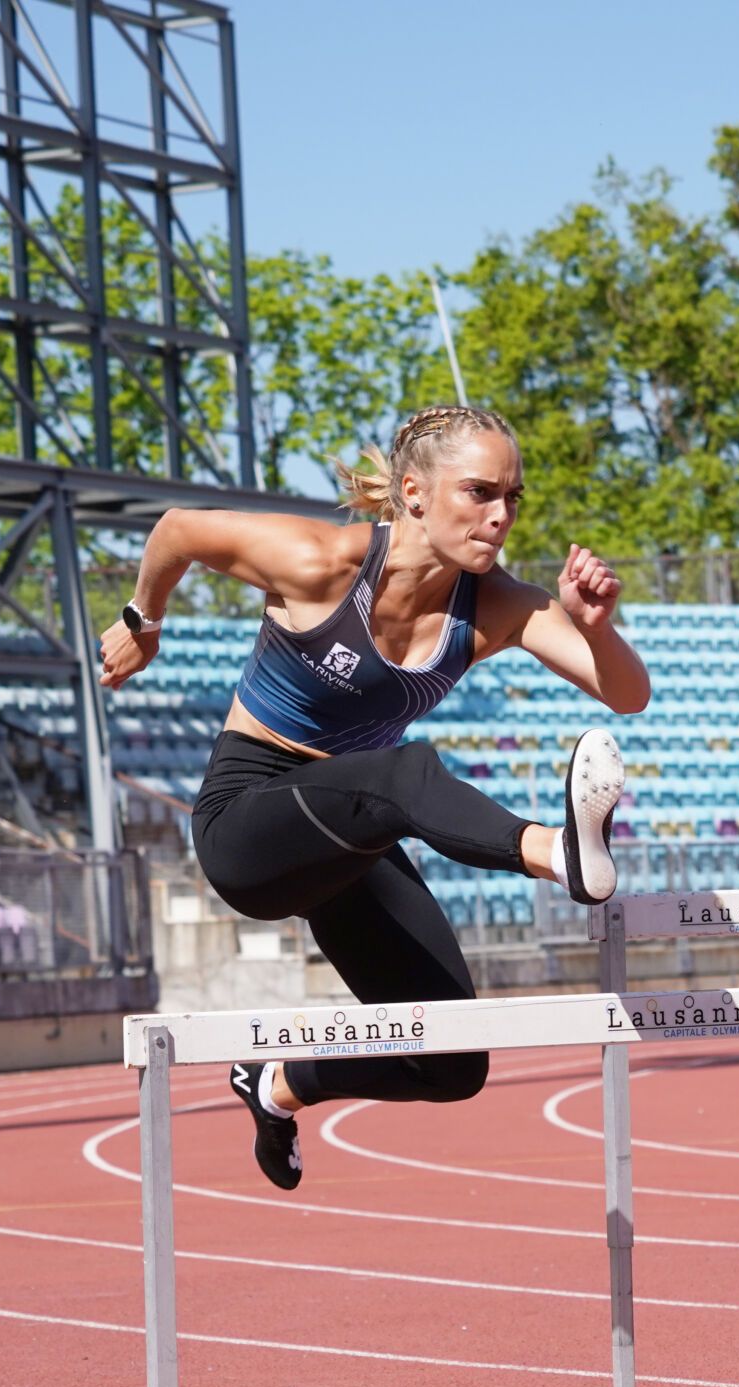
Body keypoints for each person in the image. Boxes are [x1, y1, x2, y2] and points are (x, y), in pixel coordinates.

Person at [98, 404, 647, 1191]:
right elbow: (180, 527)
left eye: (514, 498)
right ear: (415, 493)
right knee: (401, 768)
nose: (501, 516)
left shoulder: (497, 604)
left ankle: (277, 1085)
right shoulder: (320, 560)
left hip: (352, 834)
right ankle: (554, 852)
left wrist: (597, 628)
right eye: (481, 491)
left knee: (452, 1056)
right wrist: (142, 619)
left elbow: (625, 693)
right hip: (249, 821)